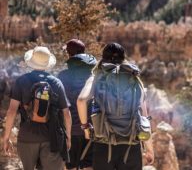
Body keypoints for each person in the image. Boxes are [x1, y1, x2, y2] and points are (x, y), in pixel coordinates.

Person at [77, 42, 154, 170]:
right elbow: (144, 117)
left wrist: (86, 128)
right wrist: (149, 148)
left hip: (103, 143)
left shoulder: (97, 77)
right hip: (131, 144)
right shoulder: (134, 79)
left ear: (103, 57)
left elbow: (81, 100)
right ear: (124, 58)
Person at [3, 46, 72, 170]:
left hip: (27, 137)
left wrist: (6, 138)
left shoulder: (21, 81)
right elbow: (66, 113)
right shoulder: (56, 83)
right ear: (47, 64)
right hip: (51, 138)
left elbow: (12, 111)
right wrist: (69, 137)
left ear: (31, 62)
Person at [58, 39, 97, 170]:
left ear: (69, 54)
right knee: (88, 165)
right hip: (91, 128)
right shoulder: (92, 76)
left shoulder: (62, 76)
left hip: (70, 130)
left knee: (71, 166)